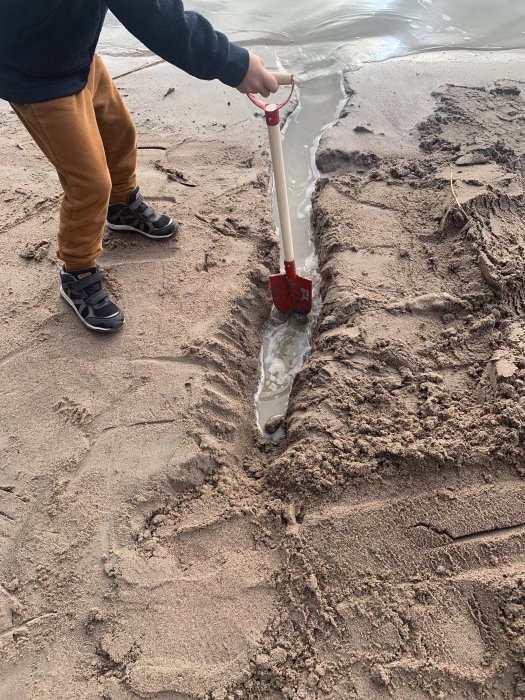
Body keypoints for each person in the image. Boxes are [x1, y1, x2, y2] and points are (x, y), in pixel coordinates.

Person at [0, 1, 279, 332]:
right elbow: (157, 17)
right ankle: (77, 270)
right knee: (89, 184)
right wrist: (235, 63)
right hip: (36, 81)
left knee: (120, 132)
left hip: (79, 58)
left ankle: (121, 206)